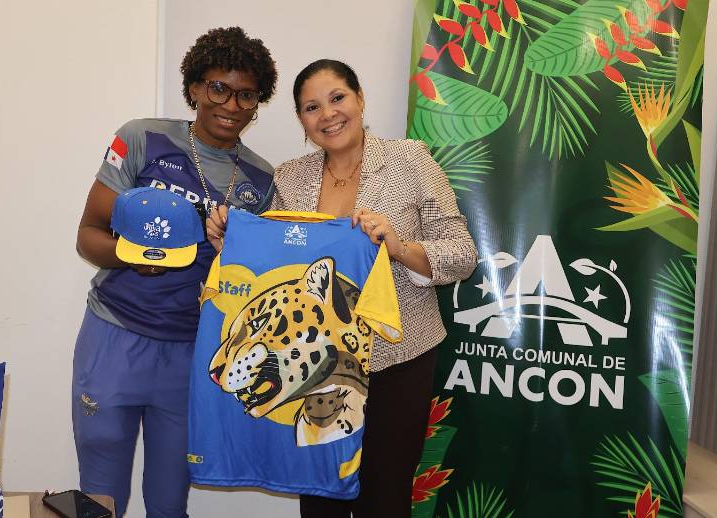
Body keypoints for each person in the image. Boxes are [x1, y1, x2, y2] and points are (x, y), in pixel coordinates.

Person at [206, 59, 477, 517]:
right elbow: (278, 265)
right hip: (315, 366)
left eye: (337, 98)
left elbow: (462, 254)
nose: (328, 114)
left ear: (360, 99)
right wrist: (227, 244)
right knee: (319, 497)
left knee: (385, 497)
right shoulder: (290, 177)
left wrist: (398, 247)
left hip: (399, 357)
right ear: (300, 119)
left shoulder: (410, 160)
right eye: (311, 107)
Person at [73, 26, 277, 518]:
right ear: (194, 88)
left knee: (169, 500)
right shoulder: (142, 138)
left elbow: (254, 282)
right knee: (100, 494)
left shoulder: (264, 180)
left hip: (192, 349)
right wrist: (136, 256)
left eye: (246, 95)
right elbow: (88, 235)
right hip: (115, 336)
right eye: (219, 88)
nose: (231, 104)